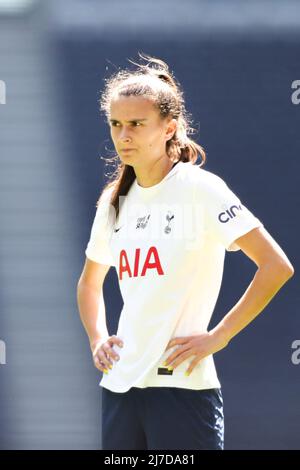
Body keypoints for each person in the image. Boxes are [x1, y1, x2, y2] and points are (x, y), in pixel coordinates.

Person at [77, 53, 294, 450]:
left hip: (182, 389)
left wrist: (219, 336)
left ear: (169, 128)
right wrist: (97, 338)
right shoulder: (113, 200)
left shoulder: (200, 189)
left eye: (137, 125)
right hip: (120, 388)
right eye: (116, 124)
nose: (124, 135)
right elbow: (90, 284)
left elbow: (276, 266)